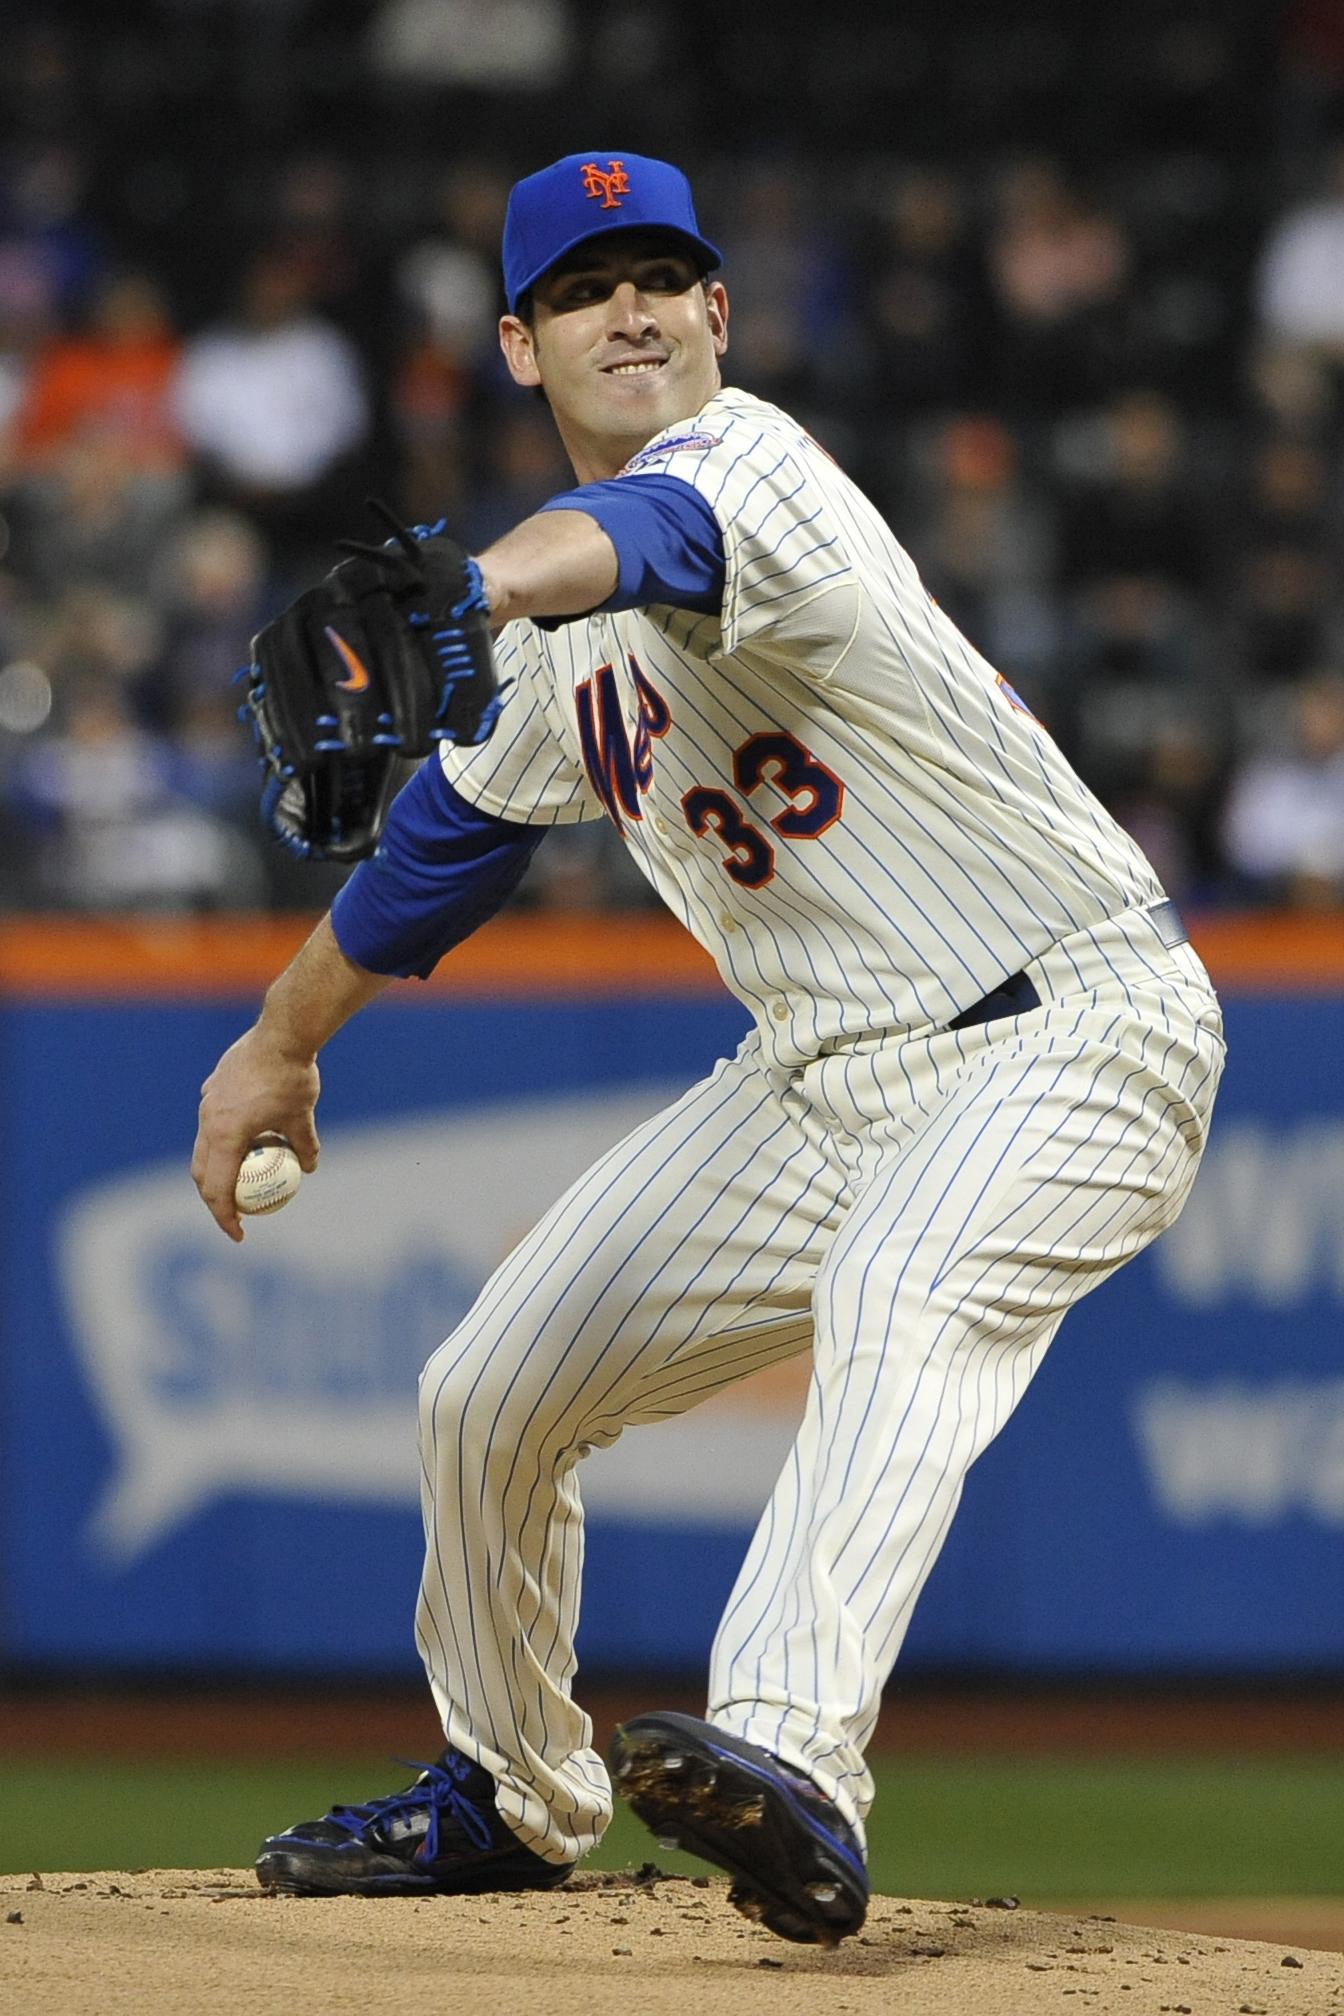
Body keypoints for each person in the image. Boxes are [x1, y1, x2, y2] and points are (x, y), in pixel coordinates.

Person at [192, 151, 1226, 1945]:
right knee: (485, 1396)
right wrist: (275, 1045)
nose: (635, 311)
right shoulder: (544, 639)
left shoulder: (749, 467)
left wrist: (475, 586)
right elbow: (446, 844)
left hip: (1070, 1026)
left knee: (902, 1295)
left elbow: (642, 542)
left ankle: (790, 1756)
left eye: (664, 276)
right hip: (823, 1081)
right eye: (588, 291)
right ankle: (511, 1788)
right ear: (520, 346)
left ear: (721, 315)